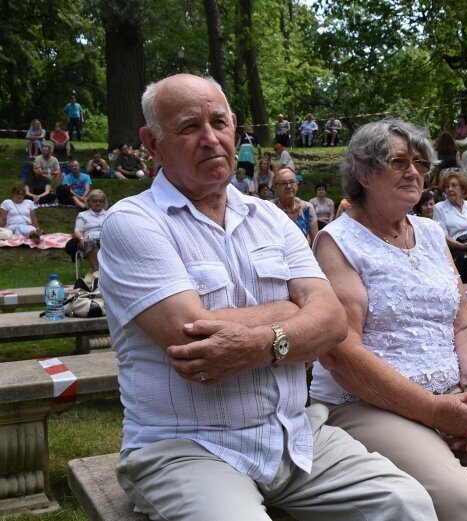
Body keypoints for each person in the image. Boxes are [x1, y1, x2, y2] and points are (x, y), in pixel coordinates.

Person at [98, 73, 436, 521]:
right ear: (152, 142)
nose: (209, 139)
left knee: (406, 505)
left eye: (219, 122)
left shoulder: (270, 218)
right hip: (186, 447)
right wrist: (291, 311)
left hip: (297, 434)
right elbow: (193, 344)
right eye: (187, 127)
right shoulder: (133, 223)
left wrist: (264, 340)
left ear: (235, 128)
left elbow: (333, 322)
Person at [310, 118, 467, 521]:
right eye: (399, 161)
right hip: (370, 404)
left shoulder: (432, 233)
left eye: (420, 163)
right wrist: (434, 412)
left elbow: (464, 324)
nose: (414, 172)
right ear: (365, 173)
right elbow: (341, 354)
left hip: (456, 393)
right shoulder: (338, 242)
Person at [273, 167, 317, 244]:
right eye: (283, 183)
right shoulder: (269, 208)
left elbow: (316, 242)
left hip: (303, 254)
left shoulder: (307, 208)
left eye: (292, 182)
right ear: (275, 187)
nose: (289, 186)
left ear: (297, 184)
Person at [74, 190, 108, 273]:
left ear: (104, 203)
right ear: (89, 202)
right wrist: (81, 238)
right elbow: (77, 230)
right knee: (92, 243)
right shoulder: (83, 215)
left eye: (101, 201)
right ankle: (96, 270)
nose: (98, 203)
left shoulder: (109, 214)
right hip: (89, 240)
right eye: (95, 201)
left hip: (106, 240)